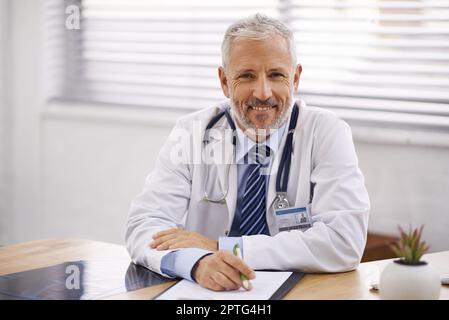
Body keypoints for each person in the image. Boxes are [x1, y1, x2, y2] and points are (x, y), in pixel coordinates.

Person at [126, 13, 370, 292]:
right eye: (246, 76)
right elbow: (144, 225)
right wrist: (198, 263)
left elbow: (343, 241)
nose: (263, 93)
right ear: (224, 81)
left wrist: (225, 248)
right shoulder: (191, 132)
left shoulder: (326, 133)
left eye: (276, 75)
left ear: (296, 77)